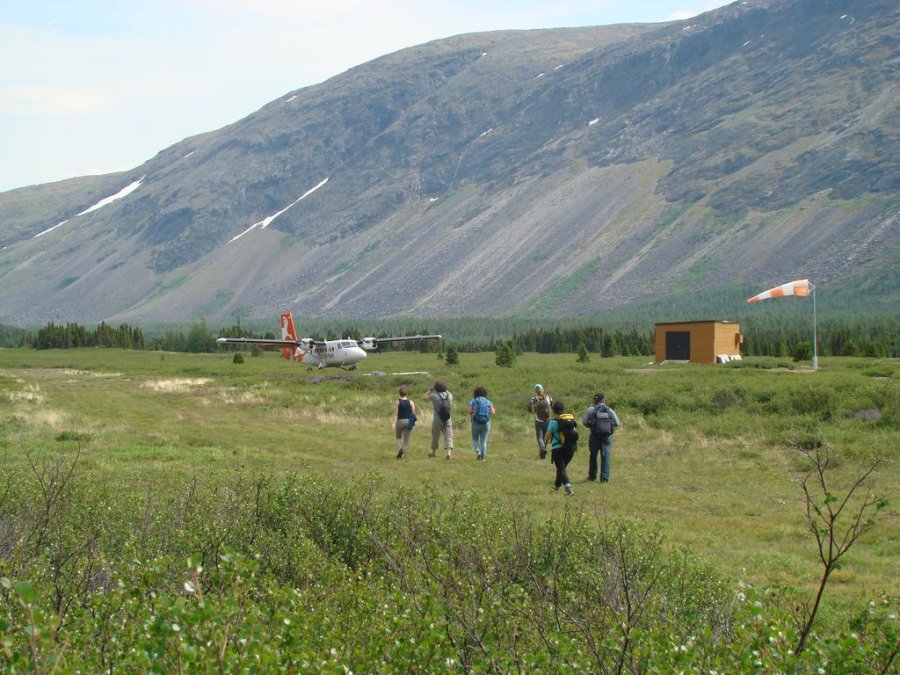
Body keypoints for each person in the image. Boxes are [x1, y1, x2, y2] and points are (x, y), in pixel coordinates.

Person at [582, 392, 621, 482]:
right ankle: (604, 479)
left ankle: (592, 477)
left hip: (594, 436)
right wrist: (609, 426)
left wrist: (592, 426)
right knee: (605, 457)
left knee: (593, 456)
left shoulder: (591, 410)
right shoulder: (609, 410)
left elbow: (584, 422)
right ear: (603, 400)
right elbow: (617, 423)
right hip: (606, 437)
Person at [545, 400, 576, 495]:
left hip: (558, 449)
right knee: (561, 468)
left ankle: (568, 488)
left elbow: (546, 438)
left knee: (561, 469)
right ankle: (557, 486)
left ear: (553, 411)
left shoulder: (553, 422)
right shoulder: (570, 421)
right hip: (571, 449)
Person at [423, 380, 453, 459]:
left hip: (437, 418)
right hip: (447, 418)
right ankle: (448, 453)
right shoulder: (450, 395)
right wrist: (445, 388)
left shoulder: (434, 396)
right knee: (448, 435)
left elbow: (424, 397)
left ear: (436, 388)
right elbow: (447, 392)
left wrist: (430, 389)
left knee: (435, 435)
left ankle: (433, 452)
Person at [468, 386, 495, 460]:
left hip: (475, 422)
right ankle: (483, 458)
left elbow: (469, 411)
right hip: (486, 423)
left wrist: (473, 412)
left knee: (474, 440)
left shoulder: (473, 401)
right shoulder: (488, 401)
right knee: (483, 441)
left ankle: (478, 452)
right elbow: (493, 412)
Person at [392, 386, 416, 458]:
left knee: (398, 437)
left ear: (399, 393)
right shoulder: (411, 402)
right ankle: (405, 454)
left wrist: (393, 423)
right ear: (406, 394)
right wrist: (413, 422)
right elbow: (413, 413)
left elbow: (396, 413)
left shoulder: (397, 402)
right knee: (406, 439)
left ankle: (400, 448)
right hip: (408, 421)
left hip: (400, 421)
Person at [530, 384, 553, 459]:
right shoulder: (548, 398)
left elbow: (533, 411)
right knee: (545, 438)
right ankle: (543, 452)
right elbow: (551, 408)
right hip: (548, 420)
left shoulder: (533, 399)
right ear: (542, 389)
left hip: (538, 421)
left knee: (539, 438)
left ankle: (542, 449)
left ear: (535, 391)